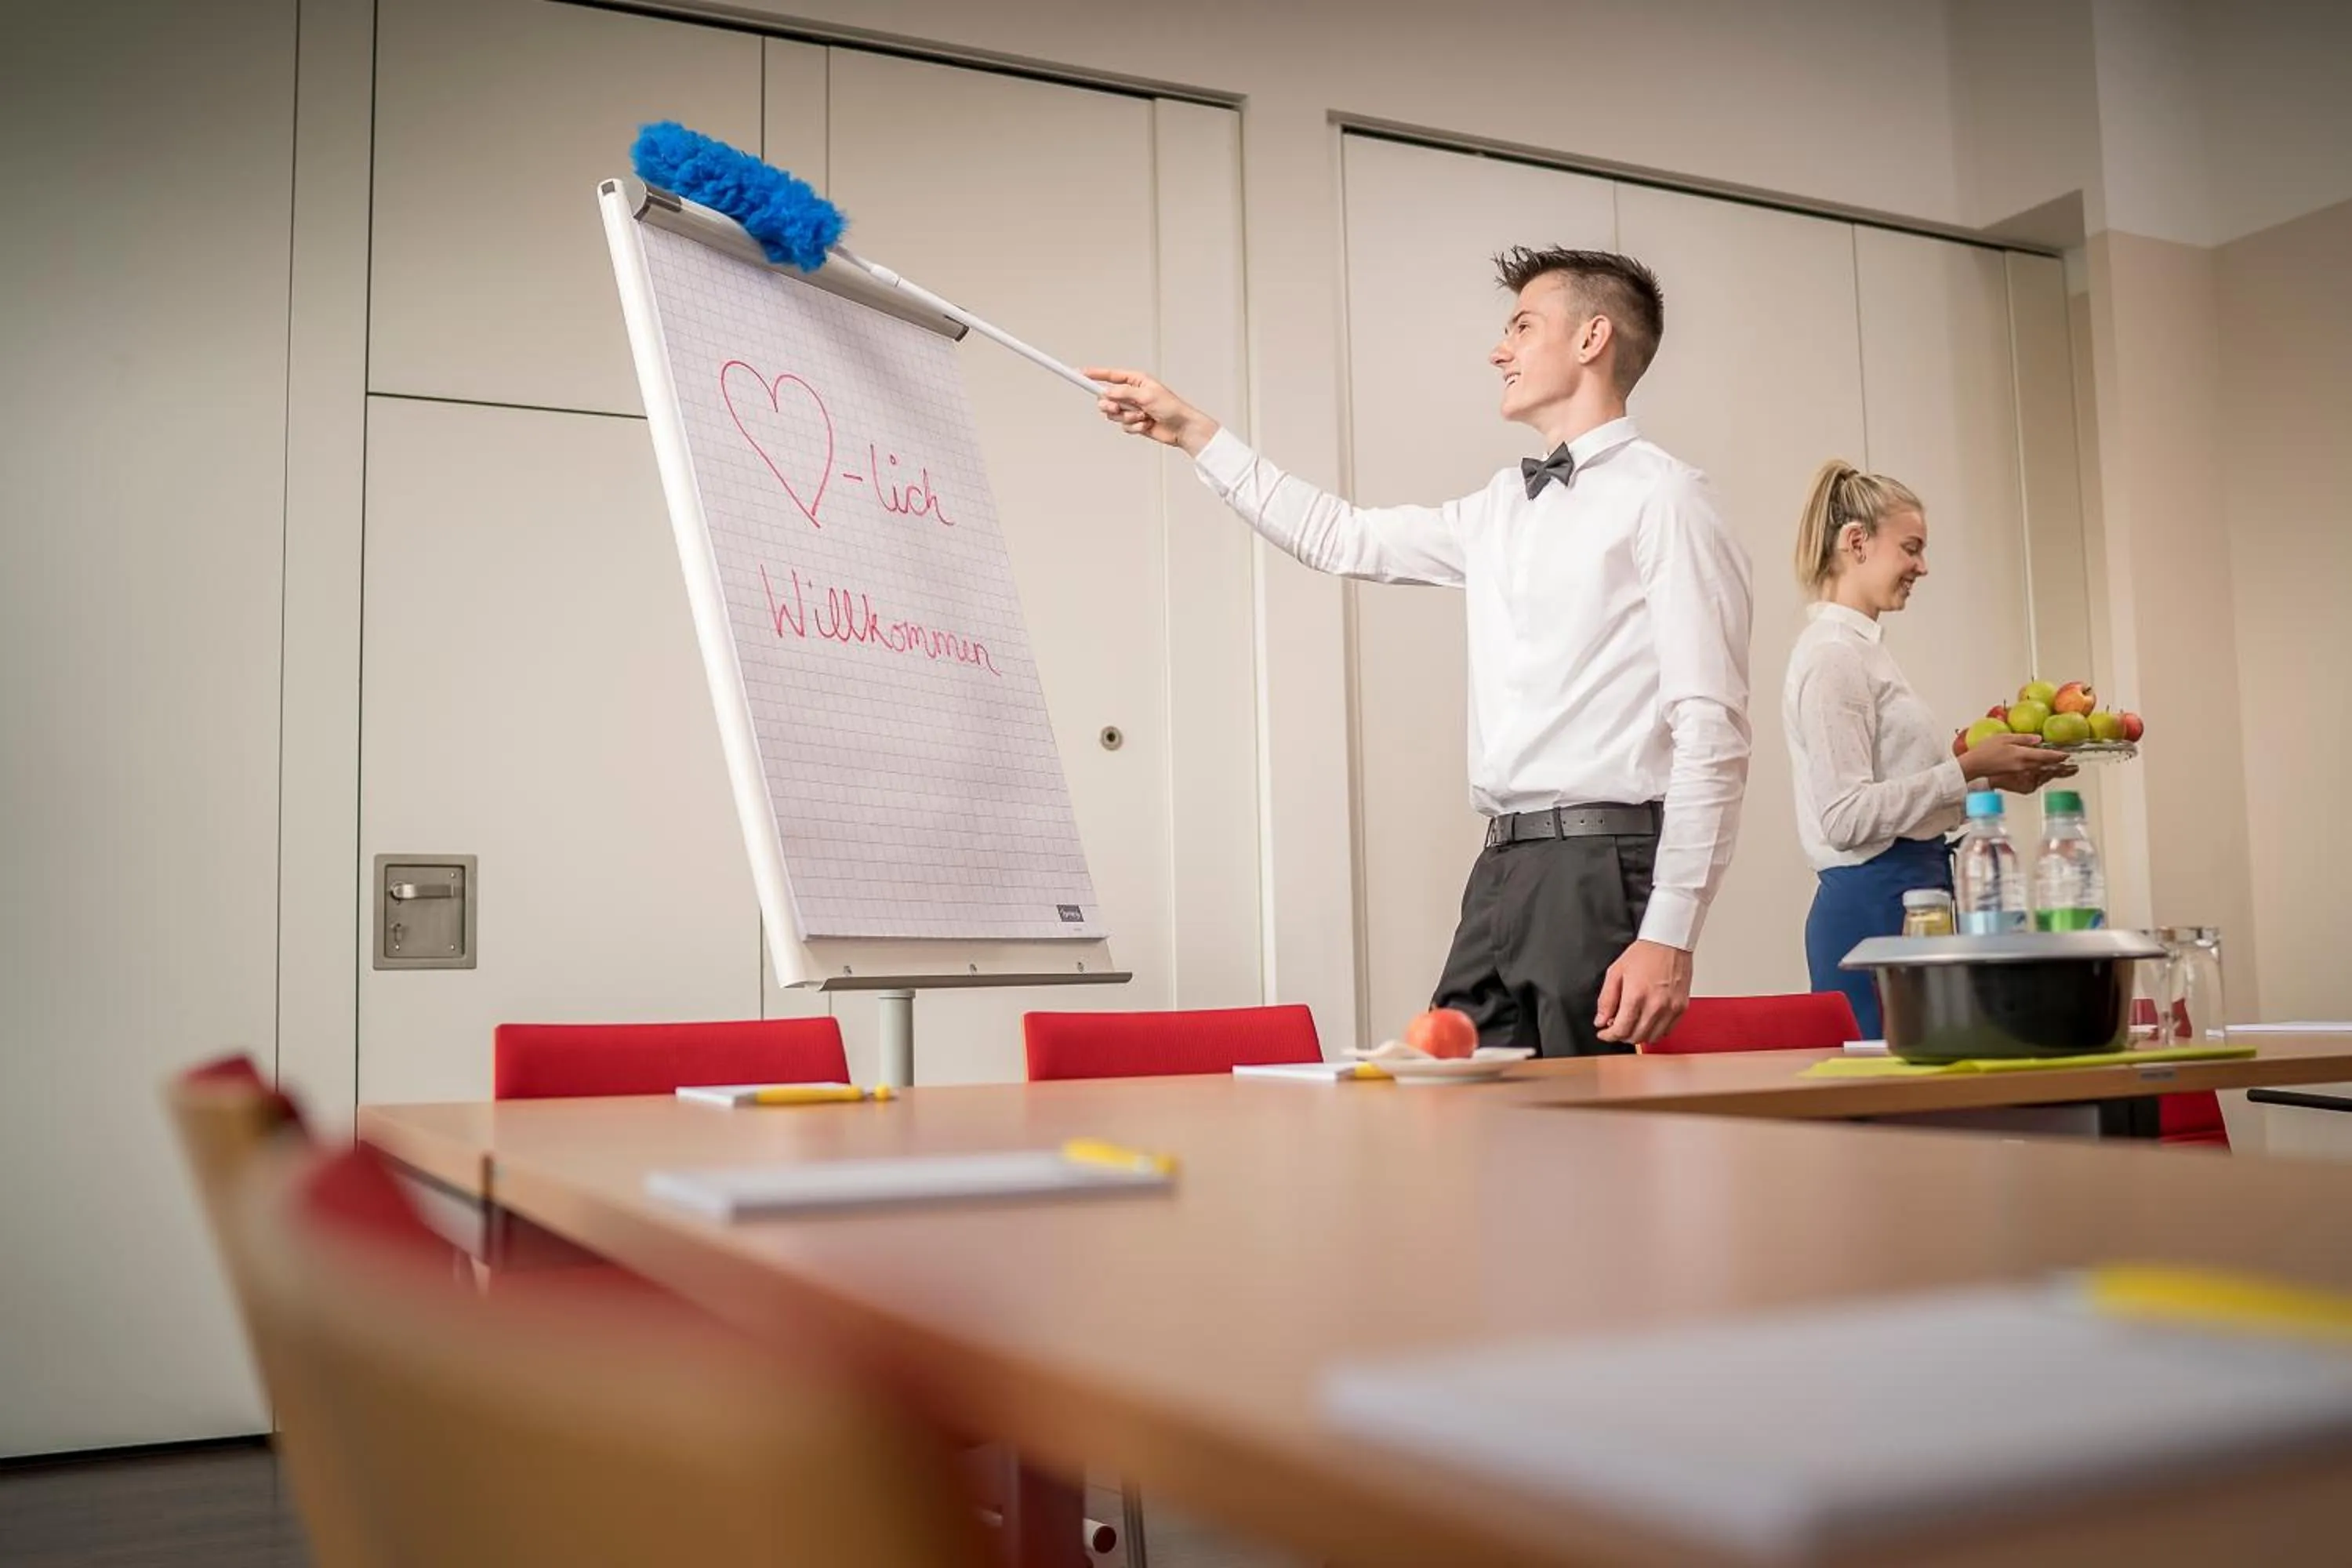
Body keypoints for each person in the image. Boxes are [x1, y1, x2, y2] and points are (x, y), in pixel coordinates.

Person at [1086, 249, 1752, 1054]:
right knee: (1465, 1117)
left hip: (1602, 866)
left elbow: (1711, 726)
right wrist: (1195, 433)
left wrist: (1670, 931)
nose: (1498, 350)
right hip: (1503, 867)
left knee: (1596, 1151)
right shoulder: (1501, 506)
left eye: (1521, 326)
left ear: (1592, 338)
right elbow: (1342, 536)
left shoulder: (1667, 497)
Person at [1784, 459, 2074, 1036]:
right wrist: (1965, 769)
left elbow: (1902, 795)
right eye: (1911, 548)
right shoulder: (1833, 656)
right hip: (1874, 912)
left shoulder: (1866, 652)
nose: (1922, 566)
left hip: (1911, 902)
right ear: (1856, 542)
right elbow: (1844, 817)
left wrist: (1992, 777)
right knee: (1903, 1113)